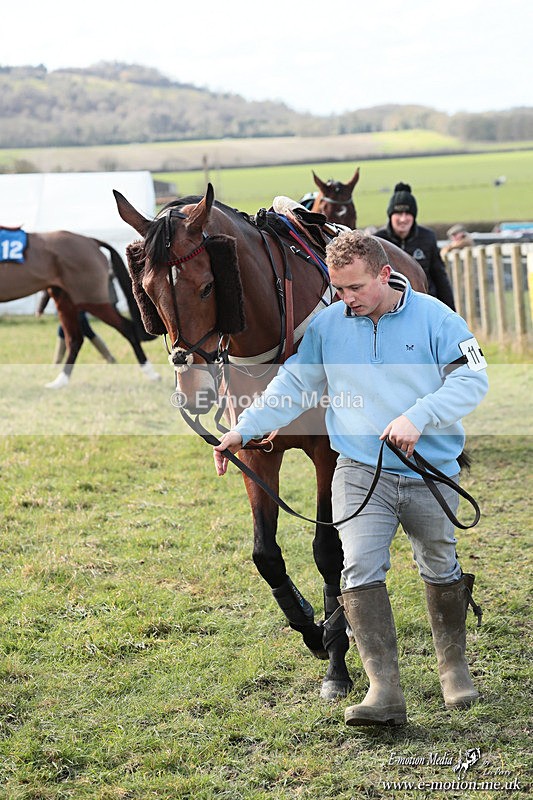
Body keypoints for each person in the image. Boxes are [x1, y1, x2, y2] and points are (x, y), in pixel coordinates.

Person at [213, 230, 488, 727]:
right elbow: (294, 384)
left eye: (356, 288)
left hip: (430, 470)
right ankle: (383, 689)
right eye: (338, 289)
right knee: (358, 568)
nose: (347, 300)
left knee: (439, 563)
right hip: (360, 470)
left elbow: (473, 379)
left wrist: (420, 416)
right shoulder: (328, 327)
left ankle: (454, 668)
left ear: (385, 274)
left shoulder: (436, 318)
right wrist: (242, 429)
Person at [375, 182, 456, 309]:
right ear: (390, 215)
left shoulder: (428, 237)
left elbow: (440, 277)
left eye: (408, 214)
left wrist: (451, 312)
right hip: (390, 308)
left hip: (424, 305)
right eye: (398, 213)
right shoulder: (378, 241)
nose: (403, 219)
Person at [36, 291, 116, 364]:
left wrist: (41, 308)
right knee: (74, 330)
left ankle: (57, 362)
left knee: (84, 331)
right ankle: (109, 357)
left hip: (75, 306)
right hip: (69, 306)